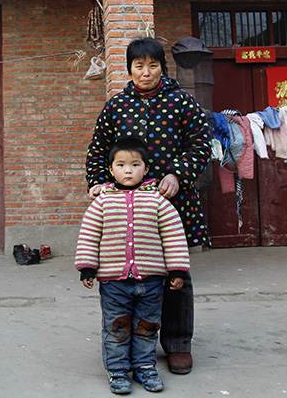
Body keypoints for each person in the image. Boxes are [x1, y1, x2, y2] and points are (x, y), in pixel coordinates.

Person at [86, 37, 210, 375]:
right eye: (138, 66)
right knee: (129, 276)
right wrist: (97, 182)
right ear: (129, 68)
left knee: (175, 272)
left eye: (152, 65)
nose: (146, 72)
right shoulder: (116, 106)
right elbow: (97, 151)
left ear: (162, 67)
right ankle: (132, 347)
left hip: (172, 203)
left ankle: (178, 342)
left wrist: (178, 175)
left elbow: (202, 143)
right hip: (125, 209)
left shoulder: (181, 103)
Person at [76, 137, 190, 394]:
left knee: (146, 327)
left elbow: (173, 237)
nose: (128, 170)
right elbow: (89, 235)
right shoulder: (102, 202)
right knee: (117, 326)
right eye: (121, 164)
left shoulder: (159, 202)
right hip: (114, 283)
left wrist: (177, 269)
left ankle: (145, 367)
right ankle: (117, 371)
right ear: (111, 169)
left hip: (151, 282)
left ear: (146, 169)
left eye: (135, 164)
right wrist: (87, 267)